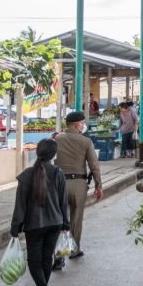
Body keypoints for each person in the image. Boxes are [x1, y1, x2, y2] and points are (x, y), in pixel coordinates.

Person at [10, 138, 69, 286]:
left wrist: (15, 227)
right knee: (46, 258)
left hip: (34, 225)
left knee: (34, 260)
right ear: (54, 155)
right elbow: (63, 202)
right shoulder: (58, 173)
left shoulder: (26, 175)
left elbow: (20, 204)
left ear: (37, 152)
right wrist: (65, 223)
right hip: (55, 222)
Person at [53, 111, 102, 269]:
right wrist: (98, 186)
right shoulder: (85, 141)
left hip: (59, 184)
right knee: (76, 220)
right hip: (79, 184)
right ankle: (74, 250)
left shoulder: (56, 139)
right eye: (82, 123)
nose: (83, 125)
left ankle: (59, 256)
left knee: (59, 220)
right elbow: (94, 166)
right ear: (77, 125)